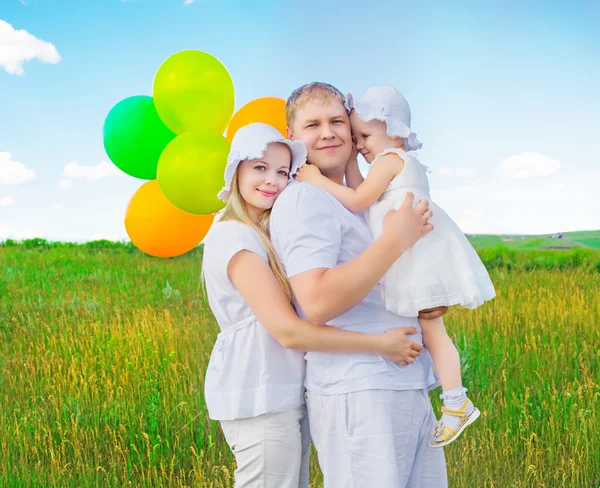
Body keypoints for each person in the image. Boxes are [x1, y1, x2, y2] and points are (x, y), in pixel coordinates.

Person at [201, 122, 435, 488]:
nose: (272, 181)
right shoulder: (235, 236)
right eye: (260, 167)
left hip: (281, 391)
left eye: (282, 172)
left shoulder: (260, 232)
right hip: (259, 393)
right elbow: (289, 331)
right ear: (236, 171)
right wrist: (378, 344)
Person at [294, 85, 496, 448]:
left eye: (364, 136)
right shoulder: (394, 163)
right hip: (412, 258)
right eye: (356, 138)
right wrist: (353, 158)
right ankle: (451, 396)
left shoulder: (390, 160)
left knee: (432, 329)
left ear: (395, 130)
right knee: (431, 328)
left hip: (414, 257)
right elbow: (364, 195)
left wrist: (316, 178)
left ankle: (456, 401)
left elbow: (358, 199)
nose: (359, 145)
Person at [270, 82, 448, 487]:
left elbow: (379, 276)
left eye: (337, 121)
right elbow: (315, 301)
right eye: (312, 124)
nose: (328, 132)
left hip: (402, 377)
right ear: (291, 137)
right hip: (358, 387)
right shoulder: (304, 200)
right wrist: (394, 241)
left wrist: (426, 301)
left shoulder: (356, 198)